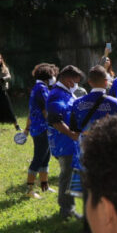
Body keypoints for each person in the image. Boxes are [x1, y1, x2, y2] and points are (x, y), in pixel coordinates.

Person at [69, 67, 117, 233]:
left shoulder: (77, 104)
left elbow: (74, 129)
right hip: (110, 158)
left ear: (89, 82)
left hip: (86, 157)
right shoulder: (116, 104)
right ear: (106, 81)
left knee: (90, 198)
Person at [46, 65, 84, 220]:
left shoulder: (65, 92)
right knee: (66, 175)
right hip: (64, 142)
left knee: (72, 173)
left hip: (70, 142)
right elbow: (55, 120)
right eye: (76, 81)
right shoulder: (57, 95)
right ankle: (65, 210)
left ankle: (71, 207)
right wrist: (72, 135)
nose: (77, 85)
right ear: (68, 80)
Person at [23, 63, 57, 198]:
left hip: (40, 128)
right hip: (42, 129)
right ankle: (29, 190)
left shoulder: (37, 88)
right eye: (53, 75)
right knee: (38, 158)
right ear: (47, 77)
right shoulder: (41, 89)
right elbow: (45, 110)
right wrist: (55, 123)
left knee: (45, 158)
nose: (54, 78)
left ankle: (44, 185)